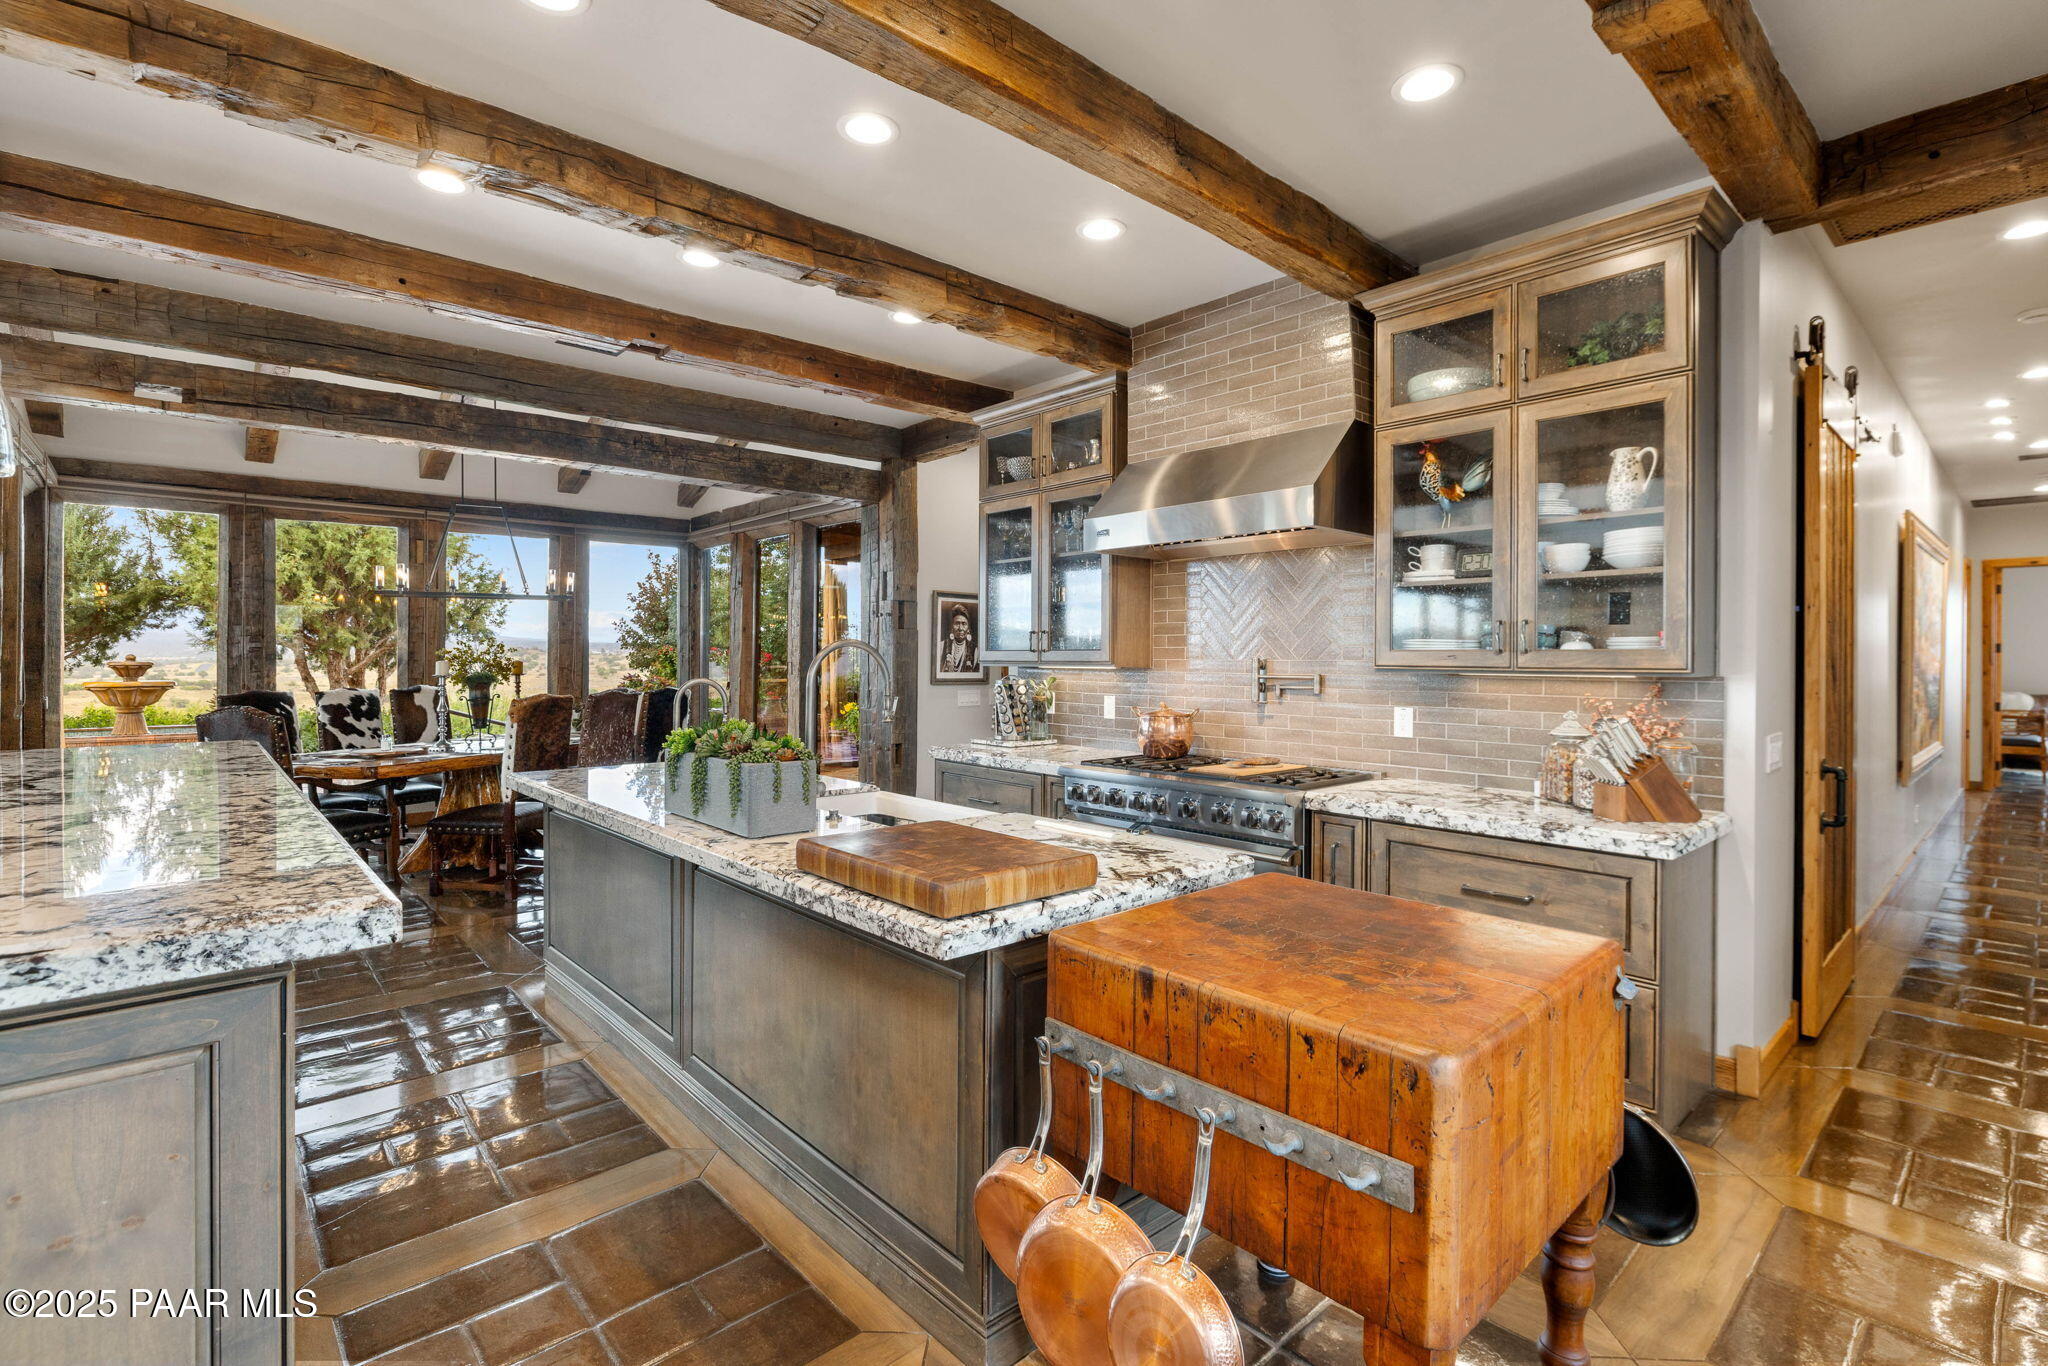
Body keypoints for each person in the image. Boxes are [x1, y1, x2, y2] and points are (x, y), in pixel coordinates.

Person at [941, 607, 978, 674]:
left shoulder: (975, 650)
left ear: (968, 628)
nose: (960, 628)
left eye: (964, 624)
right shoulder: (941, 646)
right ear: (952, 627)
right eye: (957, 623)